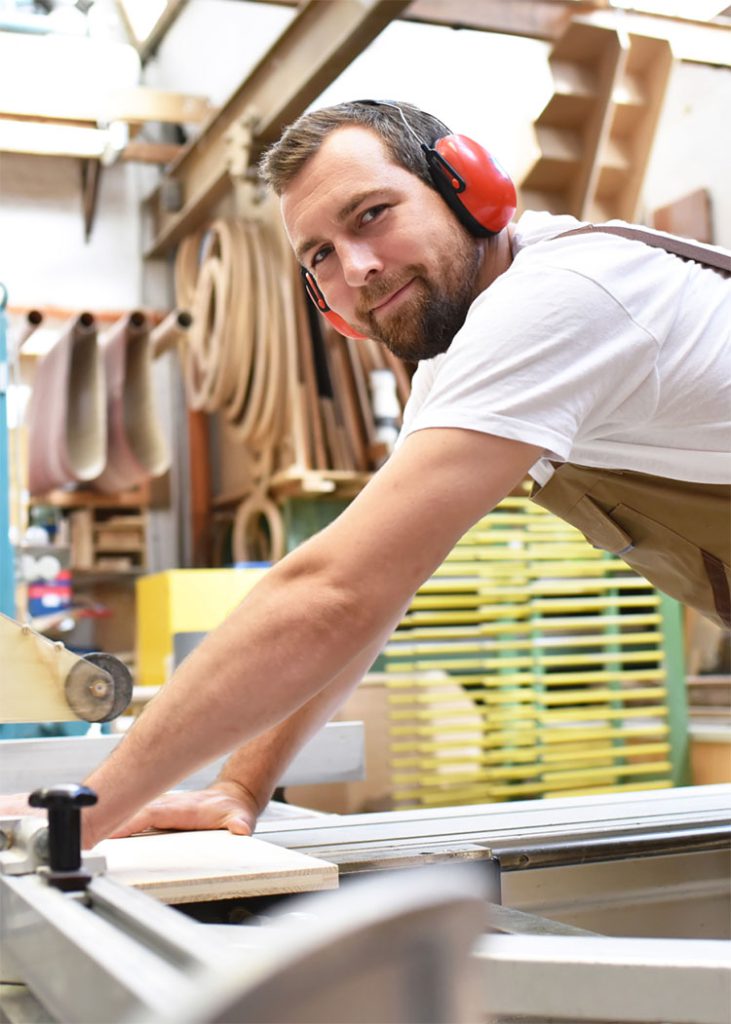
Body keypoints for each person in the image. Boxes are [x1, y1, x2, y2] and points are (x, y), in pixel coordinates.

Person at [12, 100, 731, 844]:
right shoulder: (462, 350)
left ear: (468, 189)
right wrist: (238, 785)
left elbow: (333, 594)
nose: (355, 268)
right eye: (319, 255)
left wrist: (85, 810)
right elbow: (375, 588)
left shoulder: (559, 300)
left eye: (370, 215)